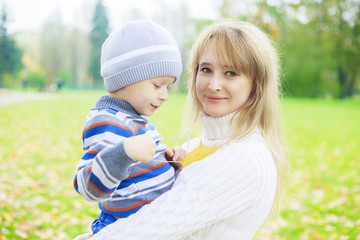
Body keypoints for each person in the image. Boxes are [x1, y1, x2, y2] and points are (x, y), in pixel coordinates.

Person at [87, 19, 288, 240]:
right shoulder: (199, 147)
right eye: (206, 69)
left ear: (256, 84)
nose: (213, 85)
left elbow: (148, 228)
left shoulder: (245, 158)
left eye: (231, 73)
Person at [73, 20, 184, 237]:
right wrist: (124, 153)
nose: (165, 95)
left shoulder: (135, 120)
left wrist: (169, 160)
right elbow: (88, 187)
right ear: (126, 78)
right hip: (123, 230)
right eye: (157, 85)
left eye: (168, 87)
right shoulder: (106, 122)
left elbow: (141, 172)